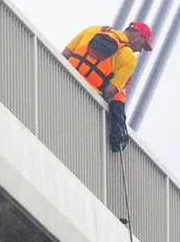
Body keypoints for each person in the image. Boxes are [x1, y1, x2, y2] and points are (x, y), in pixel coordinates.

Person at [62, 22, 153, 152]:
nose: (140, 50)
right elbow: (110, 91)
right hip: (86, 98)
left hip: (63, 77)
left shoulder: (94, 29)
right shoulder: (129, 58)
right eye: (143, 45)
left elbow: (65, 54)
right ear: (136, 36)